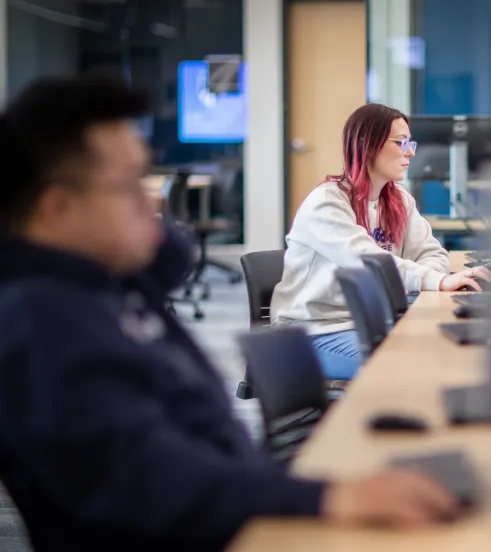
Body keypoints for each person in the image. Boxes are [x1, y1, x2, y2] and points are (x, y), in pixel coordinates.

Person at [0, 76, 458, 552]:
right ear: (56, 208)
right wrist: (324, 497)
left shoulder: (114, 291)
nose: (152, 204)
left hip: (240, 506)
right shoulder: (42, 327)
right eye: (128, 185)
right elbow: (160, 485)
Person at [270, 103, 491, 380]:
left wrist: (430, 275)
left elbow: (433, 253)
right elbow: (372, 264)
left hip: (371, 320)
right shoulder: (327, 204)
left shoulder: (398, 199)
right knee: (410, 367)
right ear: (368, 144)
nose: (410, 152)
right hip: (316, 331)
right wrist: (436, 280)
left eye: (410, 143)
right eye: (400, 143)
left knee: (443, 351)